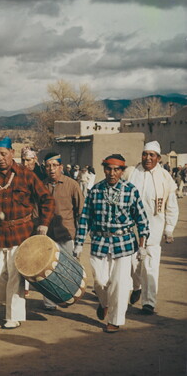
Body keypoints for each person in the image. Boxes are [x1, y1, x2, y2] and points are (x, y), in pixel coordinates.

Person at [0, 136, 55, 329]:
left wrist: (43, 223)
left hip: (21, 233)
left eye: (3, 153)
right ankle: (6, 299)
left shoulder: (26, 174)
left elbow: (47, 199)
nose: (0, 158)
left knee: (15, 277)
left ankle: (13, 317)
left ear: (12, 153)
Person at [73, 154, 150, 333]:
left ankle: (115, 320)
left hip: (123, 244)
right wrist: (79, 243)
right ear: (104, 169)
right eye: (108, 168)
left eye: (116, 169)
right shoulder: (96, 190)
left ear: (122, 171)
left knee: (120, 283)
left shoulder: (130, 191)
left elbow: (142, 220)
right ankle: (104, 302)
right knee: (100, 282)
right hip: (99, 243)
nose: (112, 173)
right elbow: (85, 218)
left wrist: (142, 245)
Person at [125, 141, 179, 315]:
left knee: (150, 265)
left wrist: (169, 228)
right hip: (131, 230)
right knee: (133, 265)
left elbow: (171, 205)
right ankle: (137, 287)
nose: (147, 158)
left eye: (151, 155)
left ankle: (149, 303)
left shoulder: (165, 177)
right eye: (144, 154)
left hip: (154, 229)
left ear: (158, 158)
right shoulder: (131, 173)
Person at [42, 152, 84, 310]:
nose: (51, 169)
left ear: (60, 166)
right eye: (48, 166)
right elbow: (36, 210)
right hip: (47, 235)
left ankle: (65, 296)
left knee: (66, 269)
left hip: (66, 234)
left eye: (54, 165)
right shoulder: (41, 186)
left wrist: (79, 239)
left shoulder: (72, 185)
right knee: (46, 269)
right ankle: (49, 302)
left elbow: (81, 211)